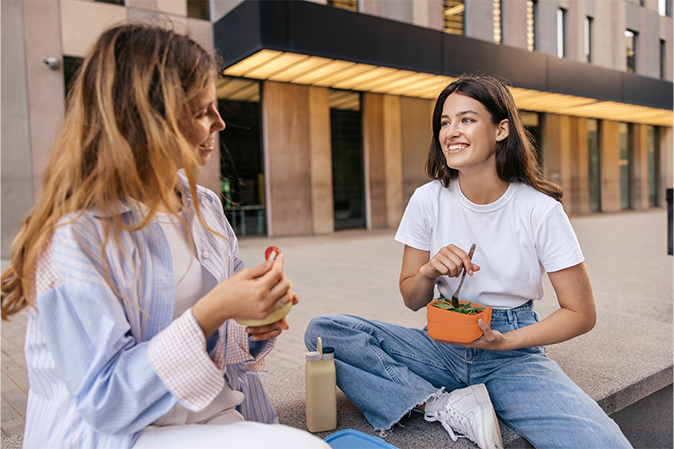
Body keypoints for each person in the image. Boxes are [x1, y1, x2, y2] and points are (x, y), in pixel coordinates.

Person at [0, 23, 329, 449]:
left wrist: (255, 323)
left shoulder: (204, 207)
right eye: (201, 111)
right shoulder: (76, 236)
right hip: (124, 433)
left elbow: (218, 341)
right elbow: (107, 400)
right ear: (148, 121)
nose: (220, 123)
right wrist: (211, 312)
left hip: (208, 416)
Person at [305, 75, 632, 449]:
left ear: (501, 129)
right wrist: (428, 271)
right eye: (445, 122)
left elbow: (581, 313)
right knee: (325, 331)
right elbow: (412, 298)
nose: (451, 131)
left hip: (512, 354)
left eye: (466, 119)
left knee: (604, 443)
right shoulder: (428, 200)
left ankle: (453, 392)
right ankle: (440, 403)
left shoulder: (540, 210)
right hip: (440, 344)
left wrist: (506, 341)